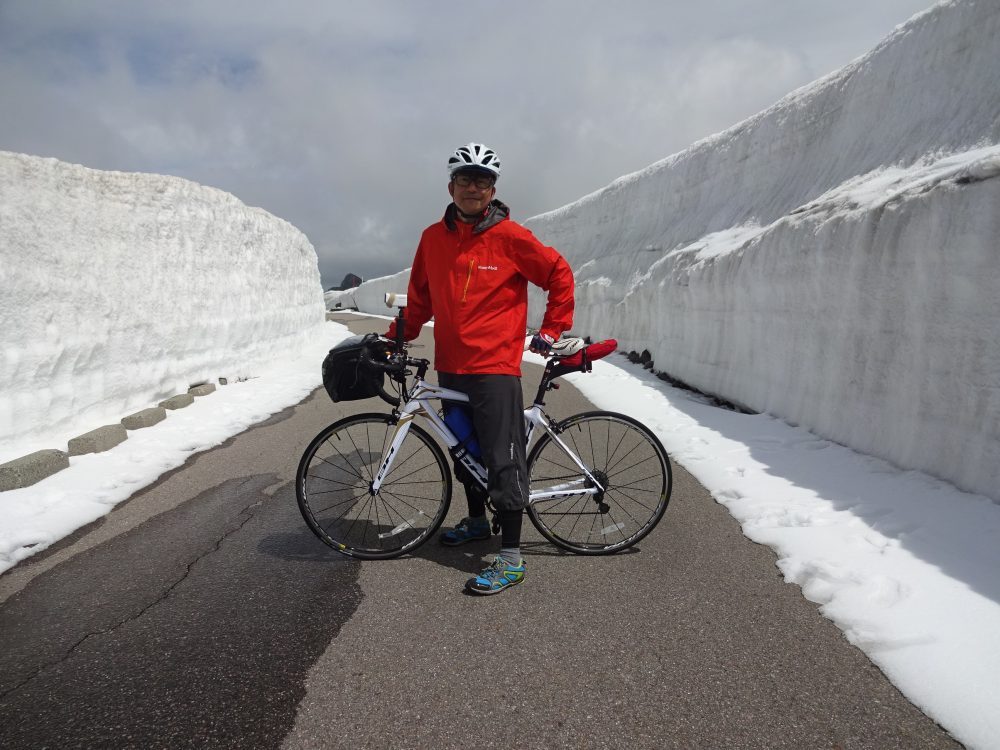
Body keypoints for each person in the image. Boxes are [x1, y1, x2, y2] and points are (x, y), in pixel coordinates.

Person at [386, 142, 575, 595]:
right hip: (452, 365)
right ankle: (475, 522)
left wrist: (552, 328)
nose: (474, 188)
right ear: (451, 185)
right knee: (463, 451)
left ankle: (510, 558)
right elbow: (422, 295)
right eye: (466, 179)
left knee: (501, 459)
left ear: (493, 189)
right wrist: (398, 338)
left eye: (483, 181)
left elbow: (559, 274)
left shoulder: (510, 237)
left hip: (494, 368)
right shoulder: (432, 238)